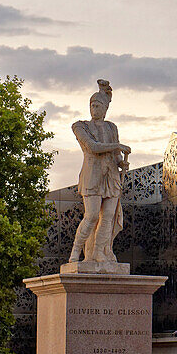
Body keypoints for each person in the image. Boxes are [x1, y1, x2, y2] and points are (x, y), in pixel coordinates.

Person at [68, 79, 131, 265]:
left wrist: (121, 163)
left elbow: (116, 156)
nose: (94, 108)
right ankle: (75, 252)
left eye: (98, 105)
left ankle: (99, 252)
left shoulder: (112, 127)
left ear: (105, 109)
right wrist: (117, 146)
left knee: (108, 217)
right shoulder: (80, 126)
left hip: (111, 177)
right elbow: (93, 147)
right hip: (92, 177)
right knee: (92, 215)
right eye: (92, 105)